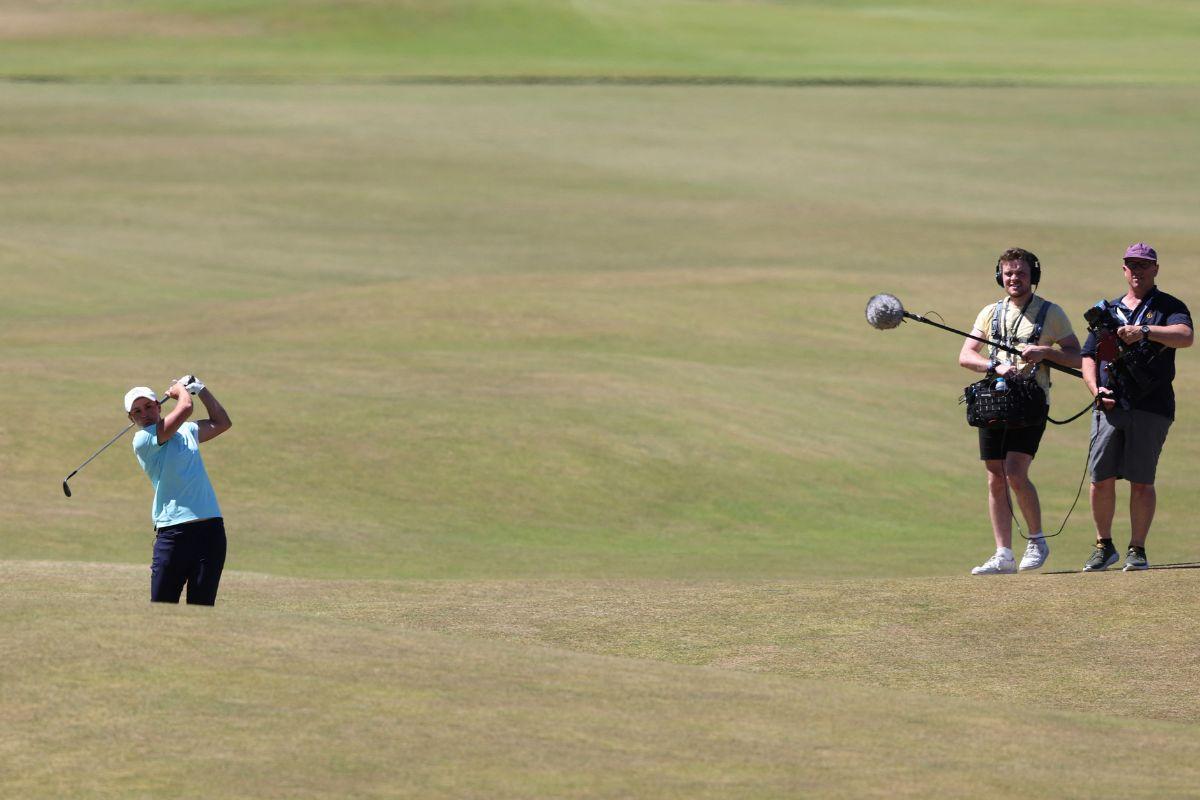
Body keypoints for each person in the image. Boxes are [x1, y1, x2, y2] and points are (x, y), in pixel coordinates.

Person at [958, 248, 1081, 574]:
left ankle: (1037, 539)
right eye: (1008, 273)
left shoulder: (1051, 313)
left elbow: (1077, 356)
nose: (1014, 279)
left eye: (1021, 273)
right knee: (995, 476)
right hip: (994, 402)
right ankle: (1003, 554)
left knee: (1014, 471)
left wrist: (1045, 352)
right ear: (1000, 276)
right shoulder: (989, 312)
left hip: (1030, 403)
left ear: (1033, 276)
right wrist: (993, 365)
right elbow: (966, 354)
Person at [1080, 243, 1192, 571]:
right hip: (1109, 405)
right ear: (1124, 269)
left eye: (1144, 265)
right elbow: (1088, 355)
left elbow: (1185, 336)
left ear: (1155, 269)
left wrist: (1144, 331)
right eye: (1131, 265)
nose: (1137, 271)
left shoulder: (1168, 306)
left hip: (1151, 405)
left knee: (1142, 480)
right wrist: (1095, 388)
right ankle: (1104, 545)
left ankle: (1137, 548)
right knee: (1100, 478)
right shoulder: (1110, 310)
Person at [124, 375, 232, 605]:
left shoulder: (187, 431)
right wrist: (181, 390)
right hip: (173, 534)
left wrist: (201, 389)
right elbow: (185, 407)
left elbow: (222, 423)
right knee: (162, 609)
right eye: (137, 411)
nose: (144, 414)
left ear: (158, 406)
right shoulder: (143, 439)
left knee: (202, 609)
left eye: (148, 406)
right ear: (131, 418)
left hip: (210, 531)